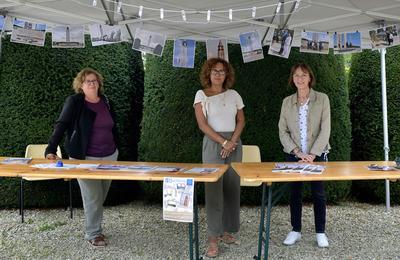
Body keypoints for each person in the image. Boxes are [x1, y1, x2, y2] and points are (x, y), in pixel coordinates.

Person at [45, 68, 118, 248]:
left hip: (110, 156)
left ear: (99, 83)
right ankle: (93, 233)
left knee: (100, 196)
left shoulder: (106, 101)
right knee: (92, 196)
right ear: (81, 85)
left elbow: (113, 126)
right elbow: (61, 124)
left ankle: (94, 225)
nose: (91, 83)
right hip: (84, 158)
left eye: (94, 80)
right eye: (87, 81)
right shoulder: (75, 102)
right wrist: (51, 148)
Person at [194, 58, 245, 258]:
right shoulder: (201, 95)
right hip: (213, 143)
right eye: (214, 71)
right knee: (213, 189)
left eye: (222, 71)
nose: (218, 74)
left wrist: (232, 142)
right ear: (208, 73)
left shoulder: (234, 95)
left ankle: (226, 231)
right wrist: (223, 143)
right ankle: (213, 238)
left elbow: (241, 120)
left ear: (227, 74)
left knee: (232, 187)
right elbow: (202, 125)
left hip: (234, 143)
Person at [278, 63, 331, 248]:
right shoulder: (286, 102)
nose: (300, 79)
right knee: (295, 193)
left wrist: (312, 154)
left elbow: (326, 129)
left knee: (319, 194)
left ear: (310, 77)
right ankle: (296, 230)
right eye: (296, 76)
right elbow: (282, 131)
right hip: (294, 155)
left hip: (317, 155)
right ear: (292, 79)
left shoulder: (322, 99)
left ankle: (320, 232)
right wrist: (297, 152)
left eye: (303, 75)